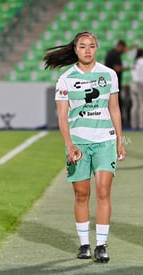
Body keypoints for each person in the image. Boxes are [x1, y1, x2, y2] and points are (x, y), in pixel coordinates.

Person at [43, 31, 126, 263]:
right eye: (82, 46)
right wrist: (69, 145)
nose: (87, 50)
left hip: (105, 141)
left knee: (103, 191)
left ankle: (101, 245)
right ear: (75, 49)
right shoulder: (66, 79)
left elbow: (115, 109)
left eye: (91, 46)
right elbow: (62, 117)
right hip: (78, 143)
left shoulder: (109, 75)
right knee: (81, 194)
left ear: (97, 48)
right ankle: (84, 244)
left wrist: (120, 139)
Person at [105, 40, 129, 127]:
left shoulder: (111, 53)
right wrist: (127, 68)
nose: (124, 50)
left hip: (109, 84)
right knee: (116, 104)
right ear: (120, 46)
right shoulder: (115, 55)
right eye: (123, 48)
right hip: (113, 85)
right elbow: (117, 69)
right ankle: (116, 123)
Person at [129, 48, 143, 129]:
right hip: (141, 84)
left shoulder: (135, 62)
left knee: (135, 105)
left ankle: (134, 124)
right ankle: (142, 125)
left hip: (133, 83)